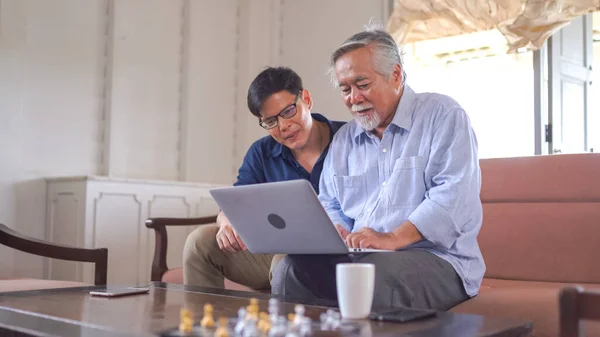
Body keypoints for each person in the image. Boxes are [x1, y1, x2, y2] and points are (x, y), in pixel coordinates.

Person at [271, 24, 485, 311]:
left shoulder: (443, 115)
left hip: (438, 259)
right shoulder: (346, 138)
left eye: (363, 85)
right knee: (289, 270)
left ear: (395, 75)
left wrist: (393, 238)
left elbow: (452, 196)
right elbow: (331, 202)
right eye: (346, 89)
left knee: (371, 277)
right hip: (359, 256)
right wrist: (335, 231)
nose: (354, 98)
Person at [183, 67, 345, 290]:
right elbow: (234, 205)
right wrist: (227, 224)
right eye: (271, 122)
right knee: (200, 241)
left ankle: (285, 325)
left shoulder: (349, 140)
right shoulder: (261, 152)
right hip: (278, 250)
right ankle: (203, 322)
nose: (283, 126)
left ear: (306, 99)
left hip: (339, 253)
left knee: (286, 263)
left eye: (288, 111)